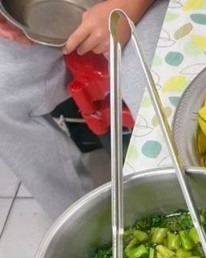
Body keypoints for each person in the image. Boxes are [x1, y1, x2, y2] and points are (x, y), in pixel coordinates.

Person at [0, 0, 167, 220]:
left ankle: (179, 203)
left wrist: (128, 6)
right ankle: (84, 221)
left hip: (141, 8)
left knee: (159, 98)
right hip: (39, 14)